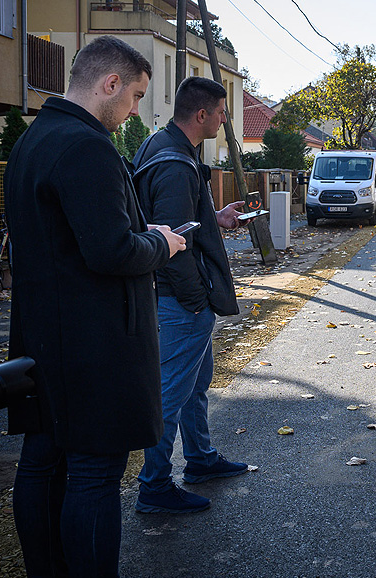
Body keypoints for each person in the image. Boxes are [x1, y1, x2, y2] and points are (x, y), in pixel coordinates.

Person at [5, 35, 188, 578]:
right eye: (135, 95)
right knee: (91, 474)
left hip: (43, 334)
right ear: (109, 84)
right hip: (94, 342)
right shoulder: (86, 146)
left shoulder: (35, 139)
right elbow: (109, 250)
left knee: (43, 466)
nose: (134, 110)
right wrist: (159, 241)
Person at [130, 76, 250, 514]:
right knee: (171, 393)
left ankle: (199, 459)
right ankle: (154, 486)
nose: (224, 119)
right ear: (202, 115)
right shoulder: (176, 164)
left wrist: (213, 216)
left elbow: (170, 220)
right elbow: (170, 244)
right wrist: (196, 300)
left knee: (196, 384)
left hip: (172, 297)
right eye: (221, 112)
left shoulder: (159, 145)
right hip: (178, 301)